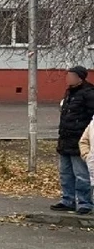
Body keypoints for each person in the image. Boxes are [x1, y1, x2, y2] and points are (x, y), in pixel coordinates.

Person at [52, 66, 94, 215]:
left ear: (79, 78)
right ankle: (67, 200)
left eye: (71, 76)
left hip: (79, 140)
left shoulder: (88, 94)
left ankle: (85, 202)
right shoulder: (70, 92)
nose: (67, 78)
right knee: (65, 173)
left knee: (81, 174)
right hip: (65, 139)